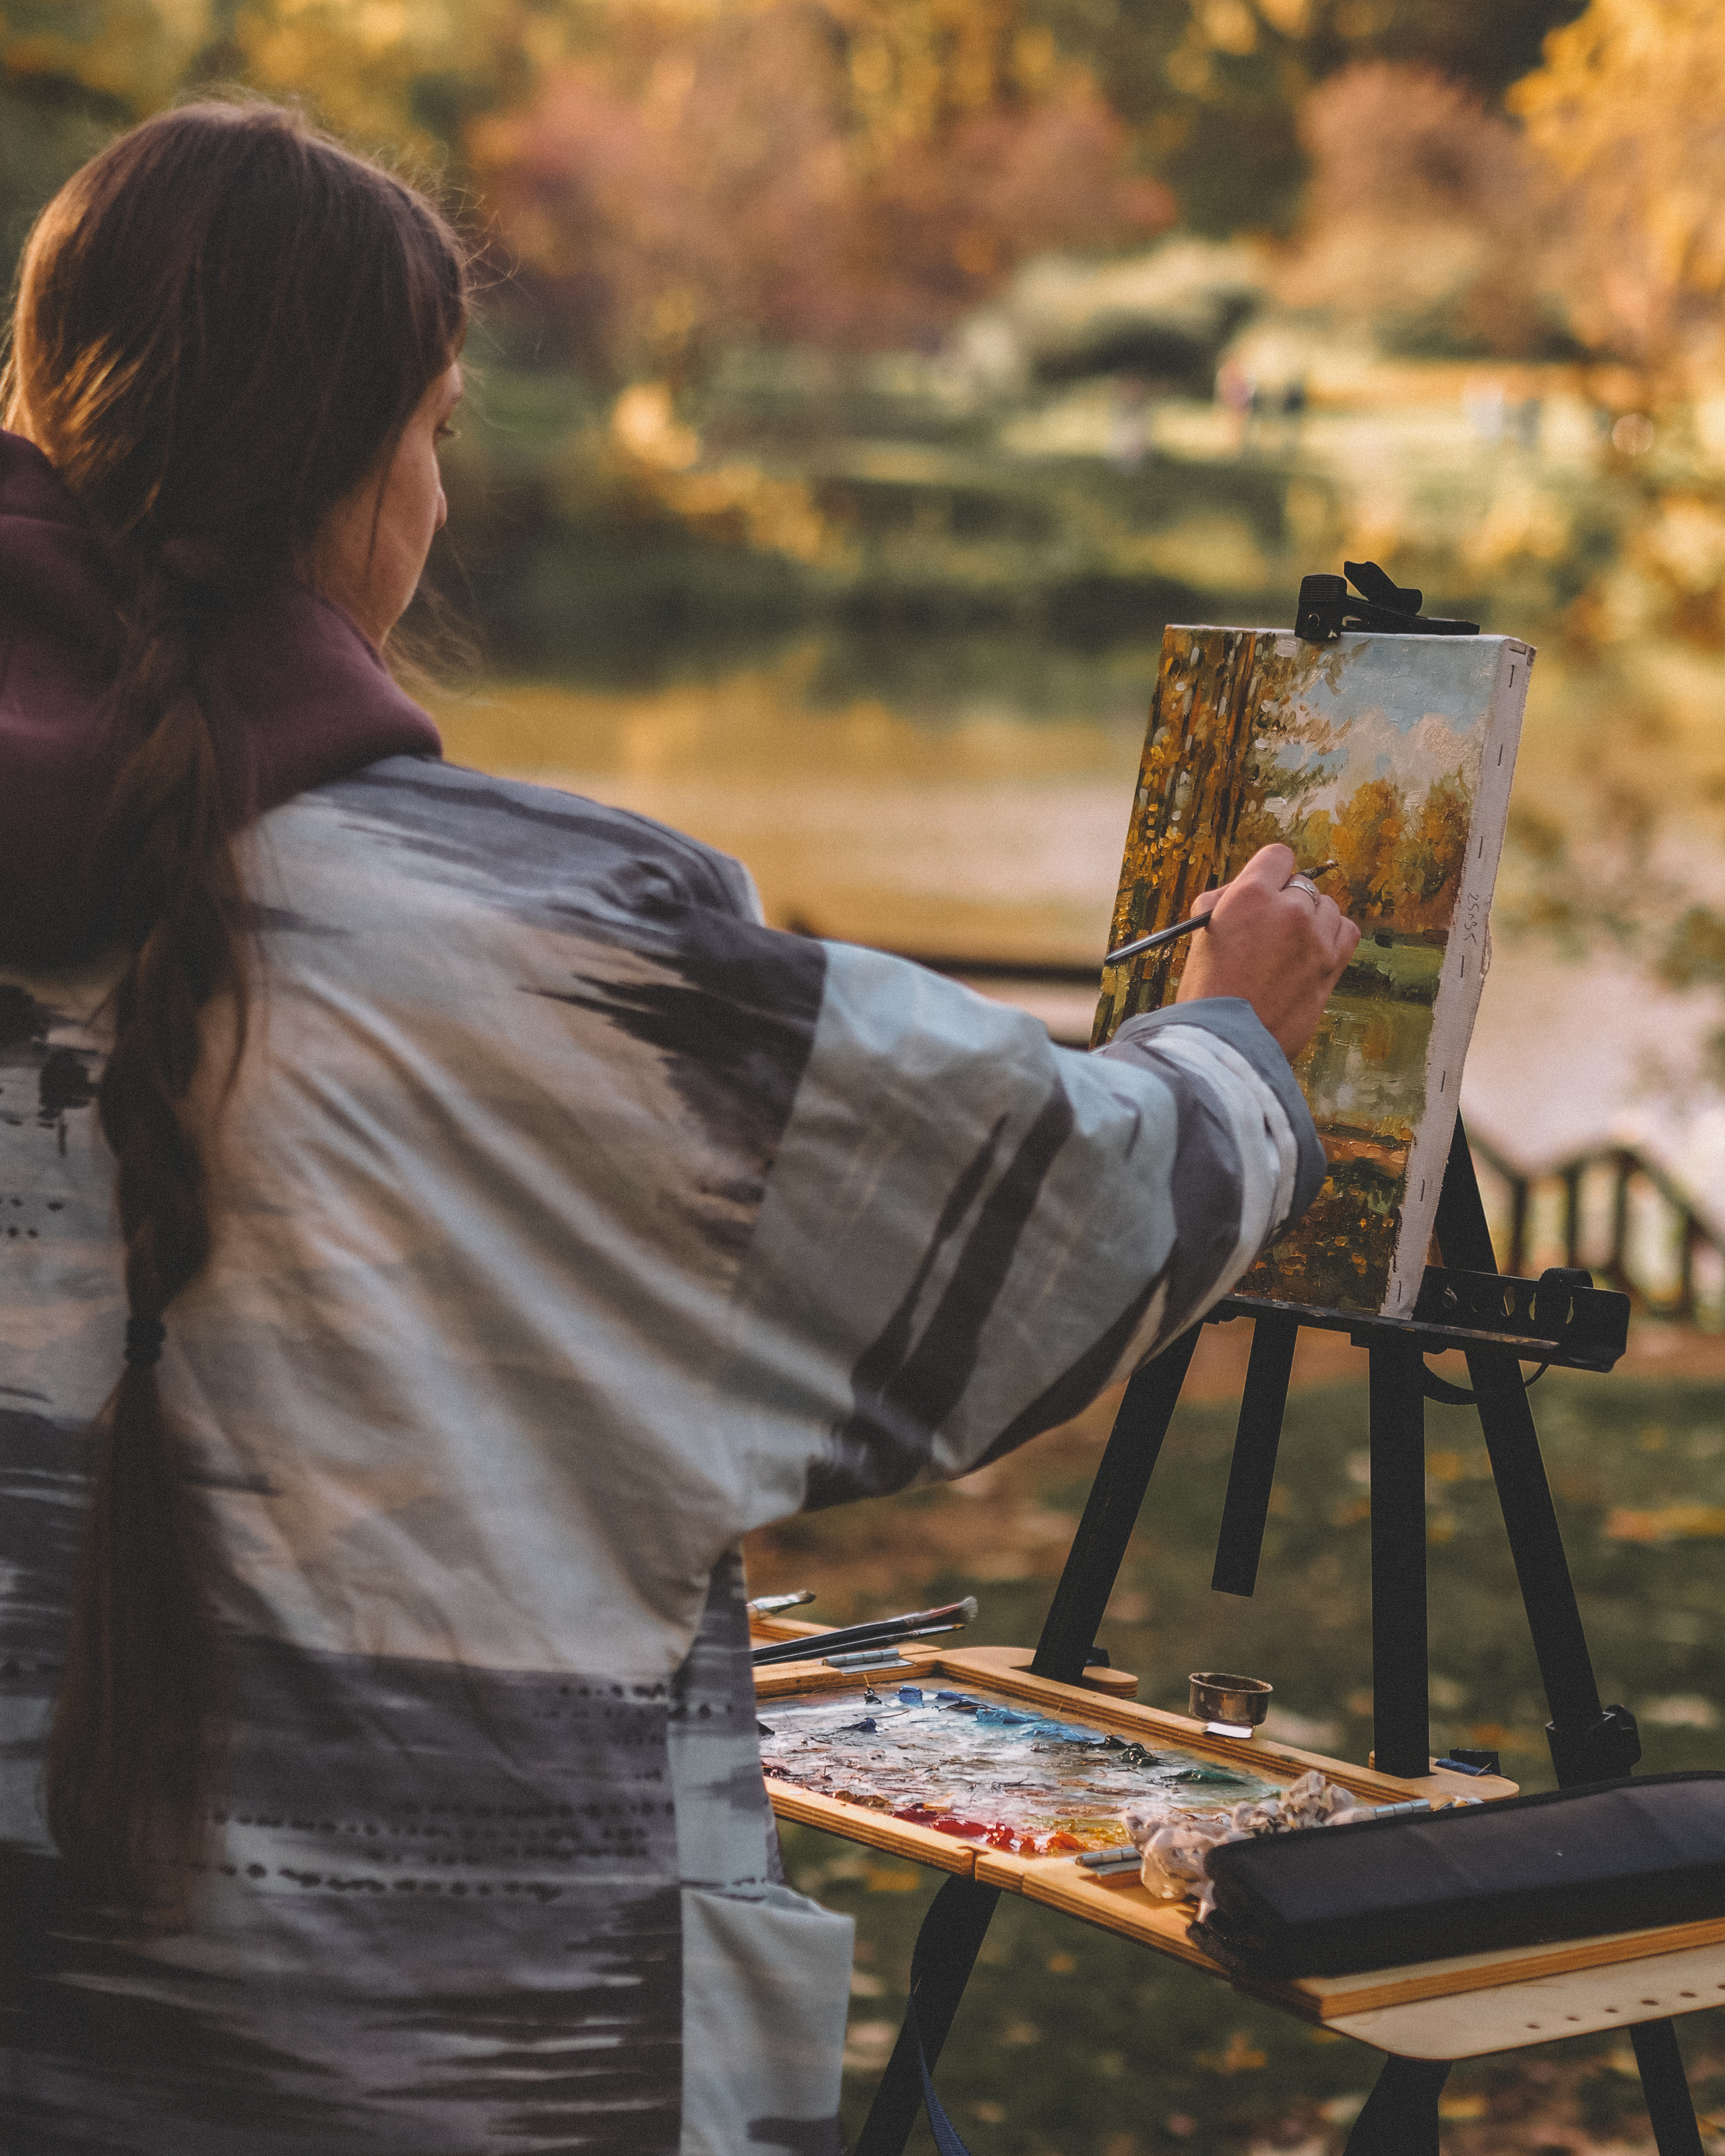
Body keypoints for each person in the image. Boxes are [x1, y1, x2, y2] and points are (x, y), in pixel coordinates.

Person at [0, 100, 1359, 2156]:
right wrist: (1237, 1042)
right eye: (435, 431)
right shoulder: (578, 947)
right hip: (480, 2074)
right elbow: (1053, 1219)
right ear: (362, 469)